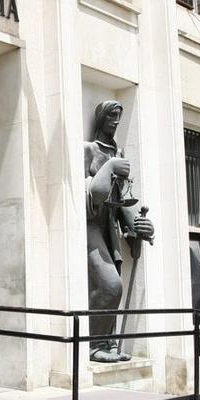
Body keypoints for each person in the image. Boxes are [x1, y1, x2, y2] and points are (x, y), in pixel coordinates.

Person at [84, 100, 153, 363]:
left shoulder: (119, 152)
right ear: (101, 117)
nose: (115, 121)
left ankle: (107, 342)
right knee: (111, 286)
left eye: (119, 117)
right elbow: (91, 195)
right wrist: (110, 167)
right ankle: (93, 345)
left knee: (112, 290)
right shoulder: (89, 150)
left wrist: (139, 227)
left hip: (110, 227)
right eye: (111, 115)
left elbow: (122, 199)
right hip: (90, 226)